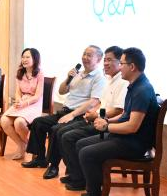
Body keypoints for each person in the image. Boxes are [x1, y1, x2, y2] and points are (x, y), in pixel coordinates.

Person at [73, 47, 158, 196]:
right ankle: (98, 193)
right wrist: (107, 121)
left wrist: (106, 127)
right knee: (81, 144)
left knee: (87, 153)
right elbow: (125, 116)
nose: (120, 66)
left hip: (134, 144)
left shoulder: (142, 90)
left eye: (122, 63)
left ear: (132, 67)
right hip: (126, 138)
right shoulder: (134, 85)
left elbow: (132, 126)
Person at [21, 46, 106, 176]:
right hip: (65, 111)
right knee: (38, 122)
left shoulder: (99, 77)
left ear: (98, 59)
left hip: (79, 115)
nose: (85, 57)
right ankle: (40, 158)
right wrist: (68, 78)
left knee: (56, 129)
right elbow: (61, 91)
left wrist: (72, 115)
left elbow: (93, 102)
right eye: (84, 54)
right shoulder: (78, 73)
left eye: (89, 55)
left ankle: (53, 165)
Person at [57, 46, 129, 187]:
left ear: (120, 62)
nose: (105, 63)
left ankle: (80, 178)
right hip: (97, 119)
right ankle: (75, 173)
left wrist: (96, 115)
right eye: (105, 60)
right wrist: (92, 113)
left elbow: (118, 110)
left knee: (68, 137)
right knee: (61, 131)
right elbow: (101, 102)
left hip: (107, 124)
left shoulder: (123, 81)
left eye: (109, 60)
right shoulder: (110, 79)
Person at [0, 48, 45, 160]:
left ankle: (34, 147)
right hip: (22, 100)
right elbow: (18, 91)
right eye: (23, 57)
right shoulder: (20, 72)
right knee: (4, 120)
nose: (24, 59)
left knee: (19, 122)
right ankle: (21, 145)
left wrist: (25, 103)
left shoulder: (40, 73)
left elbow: (37, 96)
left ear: (35, 59)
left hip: (34, 103)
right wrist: (19, 100)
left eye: (27, 57)